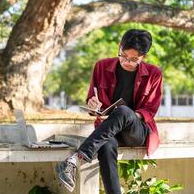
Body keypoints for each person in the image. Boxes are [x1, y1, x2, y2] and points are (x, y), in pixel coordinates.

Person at [56, 29, 163, 193]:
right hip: (108, 130)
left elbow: (150, 110)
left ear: (144, 57)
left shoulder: (154, 74)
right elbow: (93, 99)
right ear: (119, 47)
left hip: (136, 131)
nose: (127, 62)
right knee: (105, 146)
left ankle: (75, 160)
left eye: (134, 59)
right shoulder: (101, 66)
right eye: (124, 55)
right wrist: (93, 106)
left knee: (123, 112)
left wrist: (126, 116)